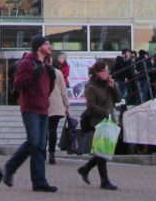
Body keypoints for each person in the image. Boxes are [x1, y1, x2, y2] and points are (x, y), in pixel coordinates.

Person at [2, 34, 57, 193]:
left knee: (40, 146)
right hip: (30, 108)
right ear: (39, 46)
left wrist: (51, 77)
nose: (49, 46)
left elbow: (48, 89)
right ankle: (10, 168)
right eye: (47, 44)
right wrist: (34, 73)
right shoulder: (27, 63)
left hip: (43, 108)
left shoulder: (45, 64)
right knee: (33, 142)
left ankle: (39, 181)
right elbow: (18, 84)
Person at [76, 60, 120, 190]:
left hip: (110, 121)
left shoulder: (108, 85)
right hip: (99, 122)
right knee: (102, 152)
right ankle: (104, 180)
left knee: (104, 151)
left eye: (108, 71)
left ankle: (85, 169)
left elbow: (118, 99)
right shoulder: (91, 87)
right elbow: (91, 106)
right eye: (104, 71)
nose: (107, 73)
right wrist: (104, 111)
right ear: (97, 73)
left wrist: (114, 87)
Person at [47, 57, 70, 165]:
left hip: (43, 104)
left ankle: (42, 152)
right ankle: (52, 153)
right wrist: (67, 105)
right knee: (53, 129)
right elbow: (63, 91)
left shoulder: (39, 71)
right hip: (56, 104)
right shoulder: (58, 73)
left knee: (43, 130)